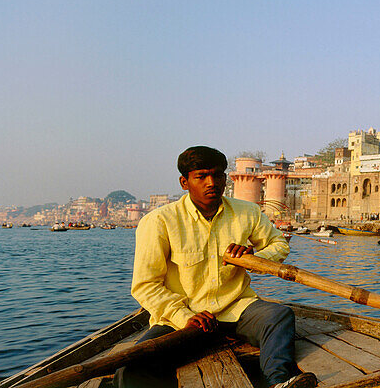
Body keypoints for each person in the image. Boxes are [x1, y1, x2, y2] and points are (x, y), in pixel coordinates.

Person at [117, 147, 312, 388]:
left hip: (235, 309)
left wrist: (256, 256)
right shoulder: (159, 221)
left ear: (225, 178)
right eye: (201, 177)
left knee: (279, 316)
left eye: (217, 175)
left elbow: (278, 243)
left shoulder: (247, 212)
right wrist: (185, 316)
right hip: (183, 319)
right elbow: (146, 286)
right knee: (131, 367)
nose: (211, 183)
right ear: (184, 182)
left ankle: (278, 382)